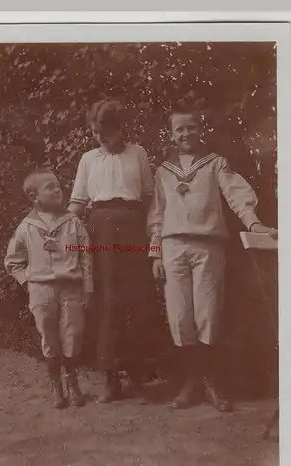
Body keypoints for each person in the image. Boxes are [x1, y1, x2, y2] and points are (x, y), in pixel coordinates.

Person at [147, 104, 277, 412]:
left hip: (208, 246)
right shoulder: (163, 171)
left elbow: (236, 194)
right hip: (173, 247)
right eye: (179, 129)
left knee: (208, 314)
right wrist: (155, 253)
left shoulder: (215, 163)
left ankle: (209, 382)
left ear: (199, 129)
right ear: (172, 134)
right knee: (180, 317)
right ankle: (191, 383)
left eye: (190, 127)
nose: (186, 133)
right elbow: (156, 213)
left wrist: (254, 223)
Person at [68, 99, 155, 403]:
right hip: (99, 228)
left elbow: (148, 197)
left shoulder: (138, 154)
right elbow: (77, 203)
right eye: (94, 132)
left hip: (132, 226)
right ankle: (109, 377)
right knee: (106, 300)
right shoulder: (88, 159)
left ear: (120, 128)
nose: (99, 138)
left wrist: (153, 237)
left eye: (105, 132)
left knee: (135, 298)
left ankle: (137, 375)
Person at [4, 170, 93, 409]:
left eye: (57, 185)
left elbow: (85, 257)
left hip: (71, 287)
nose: (57, 190)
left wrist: (87, 288)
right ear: (34, 197)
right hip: (41, 290)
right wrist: (28, 282)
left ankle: (72, 382)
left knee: (72, 336)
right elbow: (12, 261)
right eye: (50, 187)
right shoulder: (26, 227)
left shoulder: (72, 221)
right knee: (50, 338)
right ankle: (56, 384)